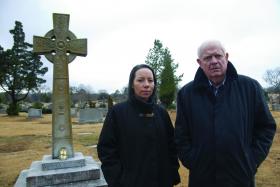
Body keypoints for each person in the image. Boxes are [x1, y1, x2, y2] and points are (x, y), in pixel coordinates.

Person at [174, 40, 276, 187]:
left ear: (226, 57)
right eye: (207, 58)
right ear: (199, 62)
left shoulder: (250, 87)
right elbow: (181, 134)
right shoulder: (186, 94)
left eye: (218, 56)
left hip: (240, 176)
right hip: (202, 177)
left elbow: (266, 127)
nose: (214, 61)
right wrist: (193, 161)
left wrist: (251, 160)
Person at [97, 64, 180, 187]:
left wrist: (172, 172)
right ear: (132, 84)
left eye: (150, 80)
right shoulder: (117, 112)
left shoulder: (161, 113)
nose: (146, 84)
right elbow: (106, 149)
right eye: (140, 80)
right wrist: (118, 179)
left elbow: (172, 146)